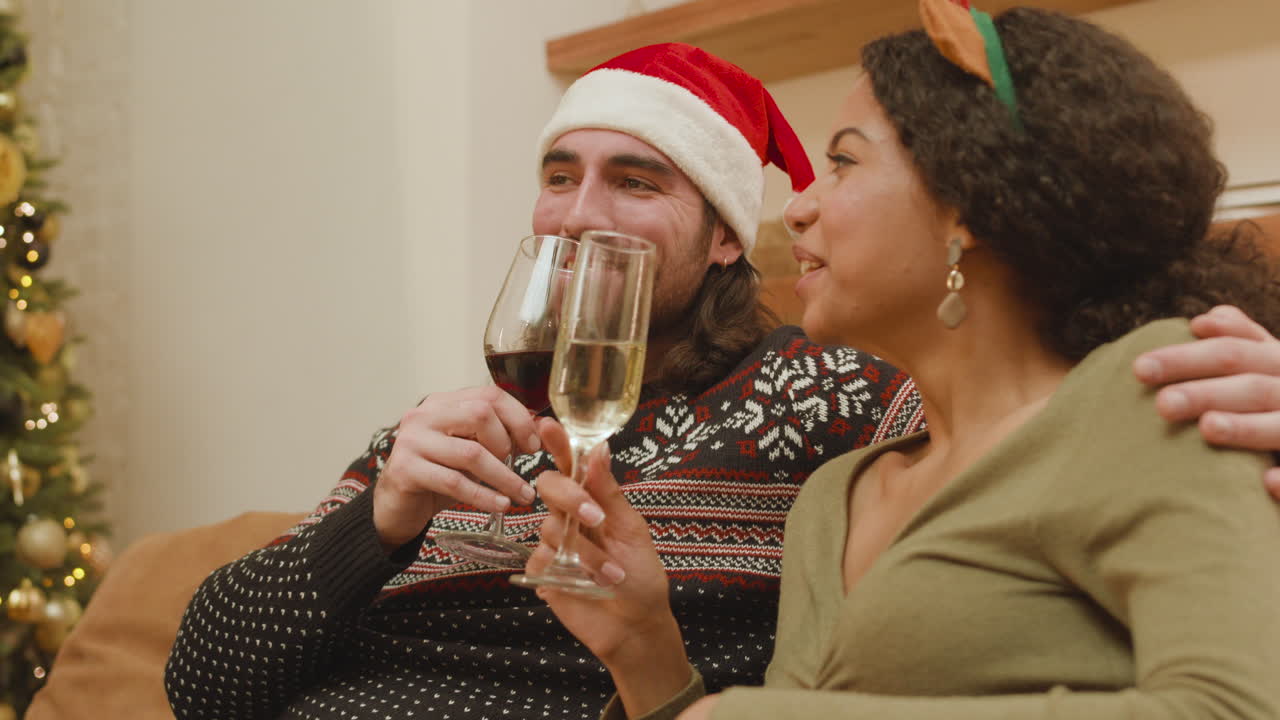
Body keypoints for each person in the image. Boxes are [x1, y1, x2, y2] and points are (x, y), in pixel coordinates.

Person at [164, 42, 1280, 720]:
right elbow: (203, 689)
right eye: (558, 176)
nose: (580, 215)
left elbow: (1038, 433)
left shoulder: (831, 397)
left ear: (721, 241)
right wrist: (383, 515)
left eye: (635, 181)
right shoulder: (446, 430)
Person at [529, 9, 1280, 720]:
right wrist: (644, 650)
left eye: (844, 162)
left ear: (969, 204)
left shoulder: (1159, 387)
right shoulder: (836, 497)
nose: (797, 207)